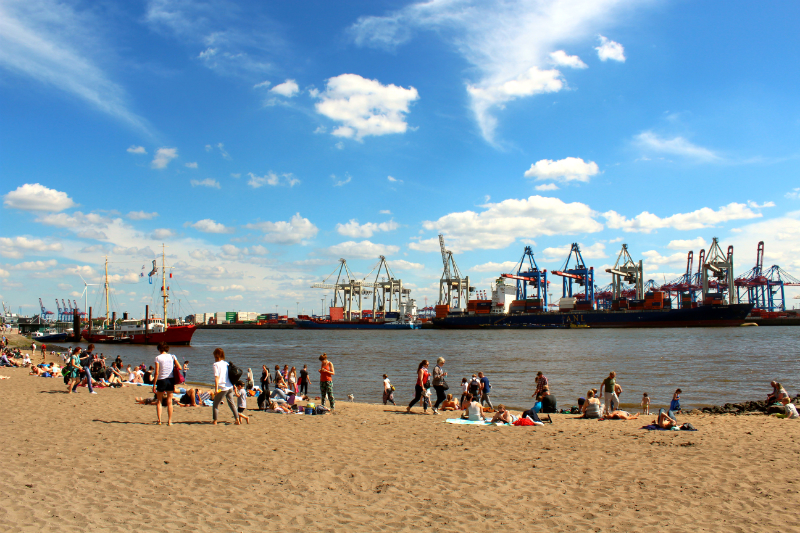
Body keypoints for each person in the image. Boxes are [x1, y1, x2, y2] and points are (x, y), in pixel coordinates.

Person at [152, 342, 181, 425]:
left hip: (161, 380)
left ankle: (160, 420)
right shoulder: (172, 356)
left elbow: (156, 372)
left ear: (159, 349)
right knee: (169, 401)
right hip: (170, 379)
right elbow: (179, 367)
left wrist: (154, 384)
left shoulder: (157, 358)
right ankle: (169, 421)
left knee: (159, 401)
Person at [212, 348, 239, 425]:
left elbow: (216, 377)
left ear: (216, 355)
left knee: (215, 404)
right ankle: (237, 419)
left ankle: (215, 421)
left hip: (222, 387)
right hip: (229, 386)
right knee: (232, 403)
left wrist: (216, 389)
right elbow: (230, 376)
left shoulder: (215, 365)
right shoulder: (226, 364)